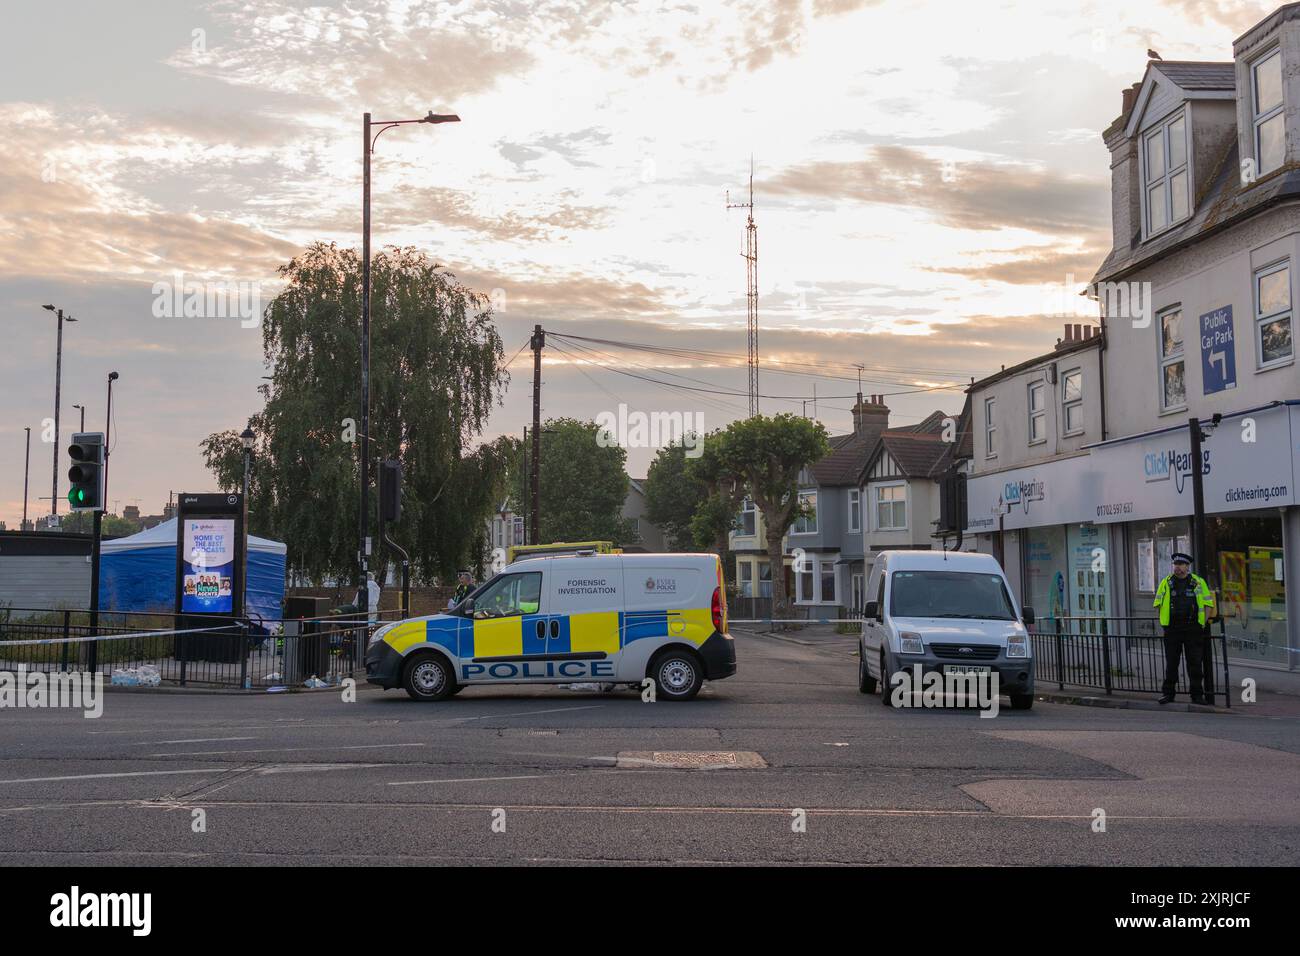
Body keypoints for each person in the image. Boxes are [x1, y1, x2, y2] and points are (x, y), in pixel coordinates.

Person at [1154, 552, 1216, 705]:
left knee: (1194, 663)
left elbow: (1208, 604)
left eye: (1181, 565)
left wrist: (1202, 624)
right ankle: (1168, 694)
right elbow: (1158, 604)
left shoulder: (1198, 582)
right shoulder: (1166, 582)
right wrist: (1164, 624)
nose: (1177, 568)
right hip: (1172, 629)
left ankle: (1197, 695)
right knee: (1171, 663)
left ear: (1187, 567)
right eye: (1176, 564)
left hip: (1192, 628)